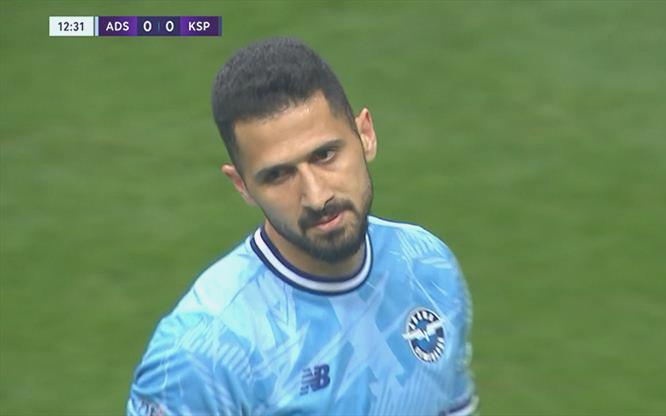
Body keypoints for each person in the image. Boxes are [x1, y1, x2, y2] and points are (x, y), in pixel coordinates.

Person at [127, 37, 477, 416]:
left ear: (365, 134)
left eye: (325, 155)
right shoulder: (200, 353)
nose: (316, 196)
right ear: (242, 185)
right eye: (278, 175)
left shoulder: (427, 265)